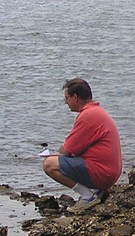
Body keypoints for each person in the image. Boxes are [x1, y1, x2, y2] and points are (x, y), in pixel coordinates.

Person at [44, 78, 122, 213]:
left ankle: (87, 196)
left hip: (103, 173)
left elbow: (67, 149)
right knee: (61, 159)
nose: (65, 102)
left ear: (75, 98)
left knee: (49, 164)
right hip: (110, 172)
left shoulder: (88, 115)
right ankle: (94, 191)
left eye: (67, 98)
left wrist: (58, 154)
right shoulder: (96, 112)